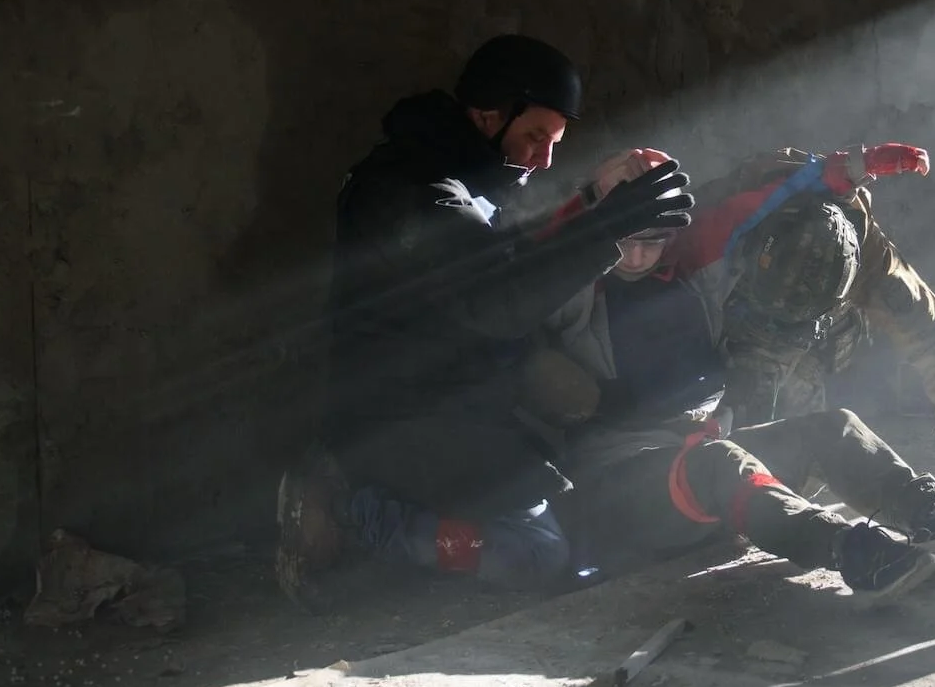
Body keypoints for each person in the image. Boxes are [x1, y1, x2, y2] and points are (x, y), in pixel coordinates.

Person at [275, 35, 695, 605]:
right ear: (489, 114)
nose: (543, 158)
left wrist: (596, 202)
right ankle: (352, 513)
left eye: (554, 142)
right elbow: (498, 300)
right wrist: (605, 227)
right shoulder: (412, 192)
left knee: (582, 505)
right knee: (539, 554)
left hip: (450, 404)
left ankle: (399, 515)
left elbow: (508, 260)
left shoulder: (450, 174)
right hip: (394, 418)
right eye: (535, 137)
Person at [528, 161, 935, 603]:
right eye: (625, 241)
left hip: (704, 453)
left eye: (652, 242)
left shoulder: (696, 278)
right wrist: (594, 204)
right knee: (721, 463)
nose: (636, 257)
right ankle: (850, 549)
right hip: (626, 482)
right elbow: (541, 260)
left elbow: (932, 339)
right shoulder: (577, 295)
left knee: (834, 427)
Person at [664, 144, 935, 530]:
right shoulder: (709, 233)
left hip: (807, 351)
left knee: (791, 471)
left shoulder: (874, 266)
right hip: (721, 335)